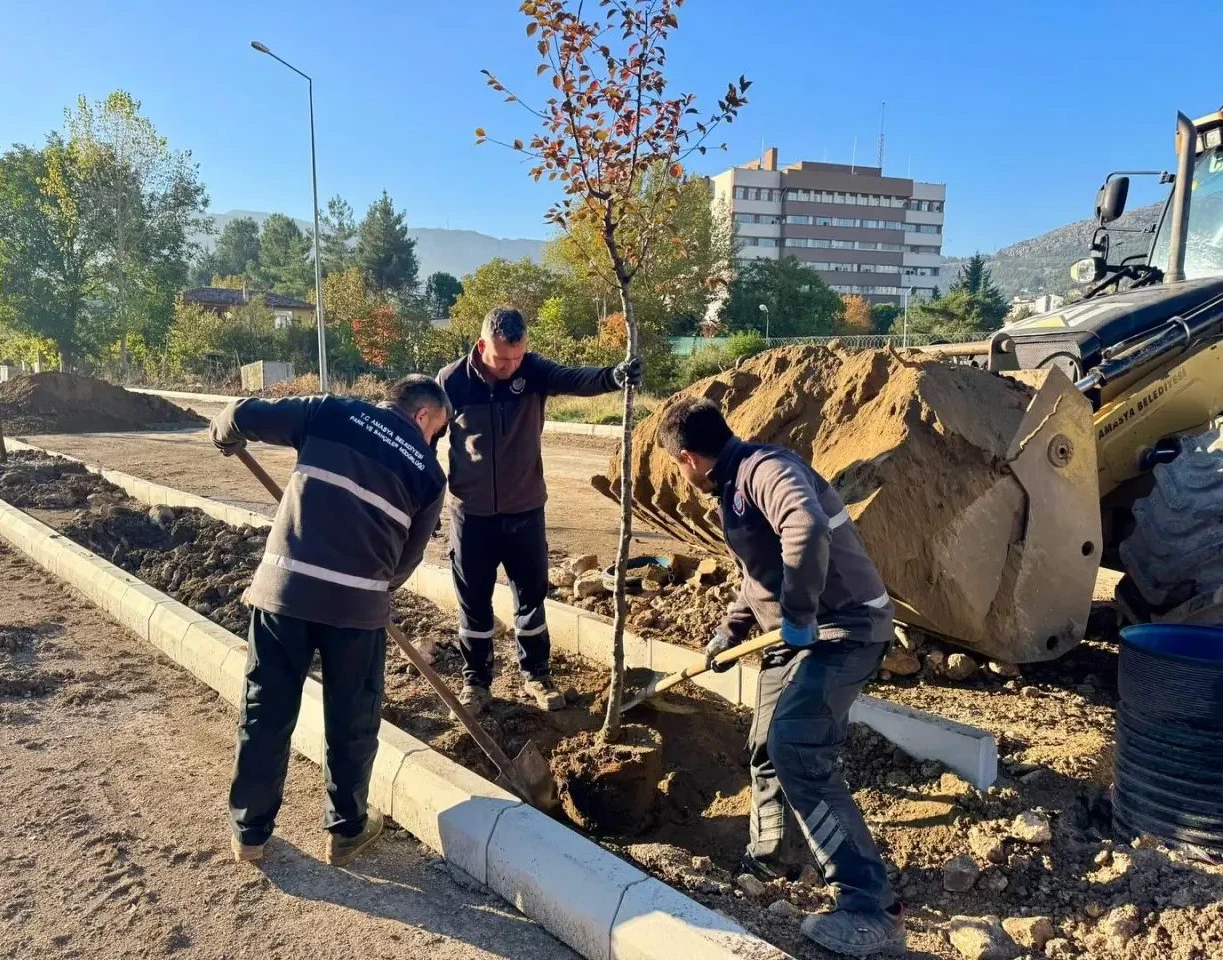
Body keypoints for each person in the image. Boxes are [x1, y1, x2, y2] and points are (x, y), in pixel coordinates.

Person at [657, 396, 904, 957]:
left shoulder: (766, 470)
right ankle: (771, 856)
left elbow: (806, 527)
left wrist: (798, 615)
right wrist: (730, 630)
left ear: (691, 458)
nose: (681, 473)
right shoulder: (733, 489)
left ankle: (871, 908)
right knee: (765, 742)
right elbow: (757, 572)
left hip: (844, 630)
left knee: (796, 747)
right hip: (793, 641)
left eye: (678, 466)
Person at [210, 375, 450, 867]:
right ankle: (346, 833)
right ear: (424, 416)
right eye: (438, 431)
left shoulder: (330, 412)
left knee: (266, 712)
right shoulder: (429, 473)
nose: (434, 442)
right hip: (357, 610)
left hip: (285, 593)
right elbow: (405, 563)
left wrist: (223, 435)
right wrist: (368, 584)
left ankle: (250, 834)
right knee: (352, 721)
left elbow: (239, 414)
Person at [437, 306, 640, 713]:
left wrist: (612, 377)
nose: (511, 366)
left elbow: (573, 378)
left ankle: (537, 675)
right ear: (482, 347)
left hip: (525, 512)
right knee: (473, 602)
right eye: (502, 358)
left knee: (531, 600)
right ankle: (476, 682)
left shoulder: (533, 370)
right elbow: (426, 437)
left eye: (518, 356)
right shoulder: (452, 380)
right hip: (471, 516)